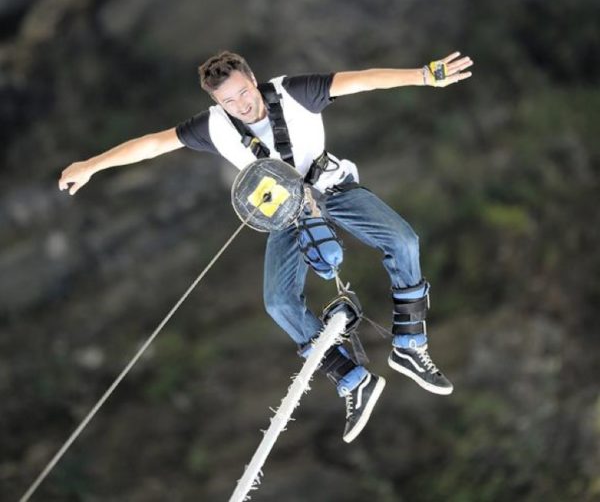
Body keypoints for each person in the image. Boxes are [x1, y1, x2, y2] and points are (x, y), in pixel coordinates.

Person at [59, 50, 473, 443]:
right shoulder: (214, 126)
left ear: (253, 81)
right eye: (228, 100)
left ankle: (409, 344)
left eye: (243, 92)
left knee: (402, 240)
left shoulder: (295, 92)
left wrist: (422, 76)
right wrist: (92, 165)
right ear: (216, 101)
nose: (240, 105)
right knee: (278, 303)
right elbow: (153, 143)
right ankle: (352, 380)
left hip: (330, 187)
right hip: (285, 210)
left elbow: (362, 82)